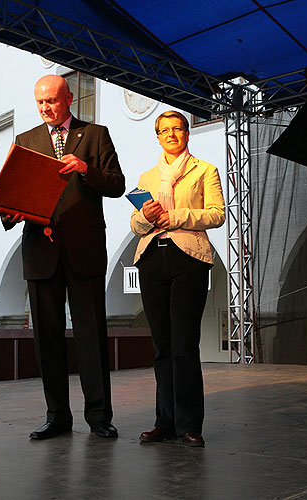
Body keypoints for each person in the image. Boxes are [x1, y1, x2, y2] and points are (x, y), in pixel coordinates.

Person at [3, 74, 125, 440]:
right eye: (40, 102)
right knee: (48, 338)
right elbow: (15, 192)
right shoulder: (25, 141)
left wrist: (86, 170)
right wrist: (7, 210)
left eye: (52, 101)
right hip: (41, 250)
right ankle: (57, 416)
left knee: (91, 335)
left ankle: (99, 416)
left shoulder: (95, 135)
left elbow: (117, 184)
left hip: (83, 249)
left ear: (69, 98)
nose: (46, 108)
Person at [129, 111, 225, 447]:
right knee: (162, 348)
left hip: (189, 257)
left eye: (177, 128)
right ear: (157, 136)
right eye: (164, 130)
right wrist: (145, 215)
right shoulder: (147, 177)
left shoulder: (204, 170)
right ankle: (164, 422)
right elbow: (135, 226)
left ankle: (188, 424)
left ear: (187, 133)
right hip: (152, 258)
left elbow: (217, 214)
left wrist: (176, 216)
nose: (171, 134)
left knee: (184, 346)